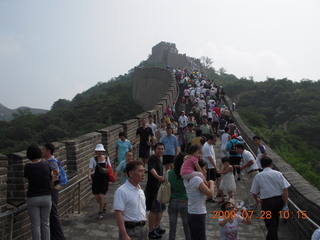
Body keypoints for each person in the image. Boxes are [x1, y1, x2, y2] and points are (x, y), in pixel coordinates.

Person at [251, 157, 291, 240]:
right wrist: (286, 203)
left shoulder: (259, 176)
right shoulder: (278, 174)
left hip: (267, 202)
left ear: (261, 166)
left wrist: (257, 200)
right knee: (275, 221)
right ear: (271, 165)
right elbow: (285, 189)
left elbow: (254, 192)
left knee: (270, 223)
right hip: (278, 201)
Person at [114, 161, 148, 240]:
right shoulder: (122, 191)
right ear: (131, 174)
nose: (143, 174)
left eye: (144, 171)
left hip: (143, 229)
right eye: (140, 171)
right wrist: (124, 234)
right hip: (130, 230)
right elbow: (118, 213)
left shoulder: (140, 190)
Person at [25, 145, 52, 240]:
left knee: (35, 225)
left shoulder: (27, 167)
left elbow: (28, 179)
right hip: (46, 197)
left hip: (33, 198)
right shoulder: (46, 164)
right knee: (45, 223)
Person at [184, 160, 215, 240]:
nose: (205, 171)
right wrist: (212, 183)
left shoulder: (190, 178)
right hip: (198, 213)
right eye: (204, 169)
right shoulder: (196, 179)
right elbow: (210, 194)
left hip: (192, 212)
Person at [42, 143, 66, 240]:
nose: (42, 151)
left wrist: (53, 186)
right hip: (52, 190)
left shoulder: (51, 162)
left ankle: (60, 237)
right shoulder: (48, 161)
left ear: (48, 151)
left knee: (53, 213)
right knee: (51, 213)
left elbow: (56, 174)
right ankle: (55, 236)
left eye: (43, 149)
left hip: (52, 191)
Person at [167, 153, 191, 240]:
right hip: (185, 200)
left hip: (172, 200)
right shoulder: (187, 174)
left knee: (172, 228)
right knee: (187, 227)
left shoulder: (170, 173)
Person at [144, 142, 166, 239]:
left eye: (162, 149)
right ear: (154, 149)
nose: (160, 150)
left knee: (160, 209)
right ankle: (151, 230)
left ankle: (157, 227)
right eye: (158, 149)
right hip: (153, 188)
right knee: (153, 210)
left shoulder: (159, 159)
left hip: (159, 188)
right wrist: (158, 177)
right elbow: (151, 169)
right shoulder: (152, 158)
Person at [88, 144, 110, 220]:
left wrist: (107, 171)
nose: (99, 153)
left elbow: (109, 168)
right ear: (96, 152)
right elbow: (90, 168)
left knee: (101, 195)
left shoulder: (106, 158)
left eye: (101, 151)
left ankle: (100, 212)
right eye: (98, 151)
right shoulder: (93, 159)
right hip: (96, 179)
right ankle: (103, 204)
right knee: (96, 197)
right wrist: (89, 176)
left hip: (104, 179)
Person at [234, 143, 259, 210]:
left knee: (250, 189)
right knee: (252, 189)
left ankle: (252, 205)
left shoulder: (246, 153)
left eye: (236, 149)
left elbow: (251, 162)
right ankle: (254, 203)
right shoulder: (244, 154)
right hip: (252, 172)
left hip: (253, 172)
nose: (236, 150)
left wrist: (243, 166)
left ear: (240, 148)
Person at [202, 135, 221, 201]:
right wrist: (215, 167)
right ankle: (210, 196)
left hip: (213, 165)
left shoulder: (210, 145)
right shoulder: (206, 147)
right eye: (214, 140)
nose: (215, 142)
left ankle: (219, 192)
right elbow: (210, 159)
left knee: (219, 177)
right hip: (210, 166)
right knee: (211, 181)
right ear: (210, 139)